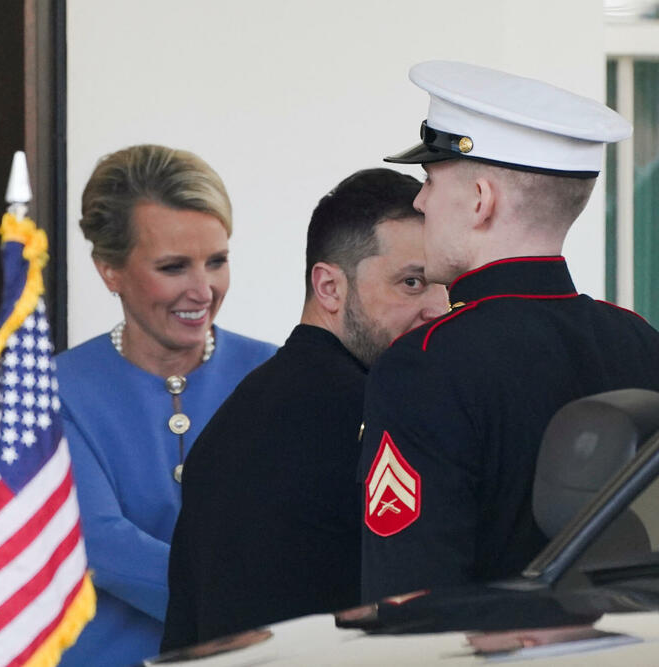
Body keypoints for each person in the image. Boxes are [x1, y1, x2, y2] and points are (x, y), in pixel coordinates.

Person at [359, 61, 659, 601]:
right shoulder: (648, 346)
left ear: (480, 200)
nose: (420, 202)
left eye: (430, 180)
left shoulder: (425, 363)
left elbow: (410, 599)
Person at [160, 168, 448, 652]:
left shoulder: (237, 415)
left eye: (444, 282)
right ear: (330, 287)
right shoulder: (378, 417)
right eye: (412, 282)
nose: (438, 306)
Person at [55, 144, 277, 667]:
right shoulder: (54, 391)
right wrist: (255, 606)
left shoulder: (276, 374)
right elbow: (103, 546)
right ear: (110, 270)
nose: (203, 290)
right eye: (174, 267)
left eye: (217, 261)